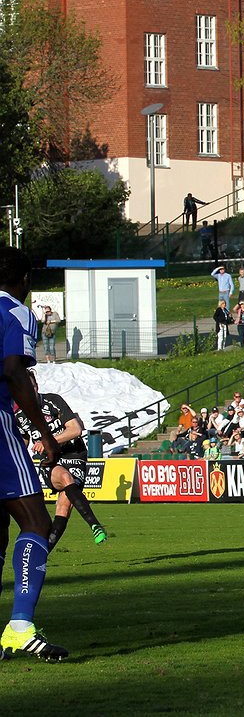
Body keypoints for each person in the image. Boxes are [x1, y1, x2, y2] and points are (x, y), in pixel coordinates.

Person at [0, 245, 68, 660]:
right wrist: (44, 433)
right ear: (25, 281)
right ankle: (21, 626)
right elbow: (13, 371)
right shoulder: (14, 311)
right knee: (36, 522)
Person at [14, 371, 107, 551]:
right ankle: (95, 525)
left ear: (37, 387)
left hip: (75, 454)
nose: (29, 391)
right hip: (50, 460)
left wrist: (47, 441)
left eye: (32, 387)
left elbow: (75, 429)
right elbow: (22, 443)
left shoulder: (52, 401)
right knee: (65, 477)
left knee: (63, 508)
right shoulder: (20, 417)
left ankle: (42, 555)